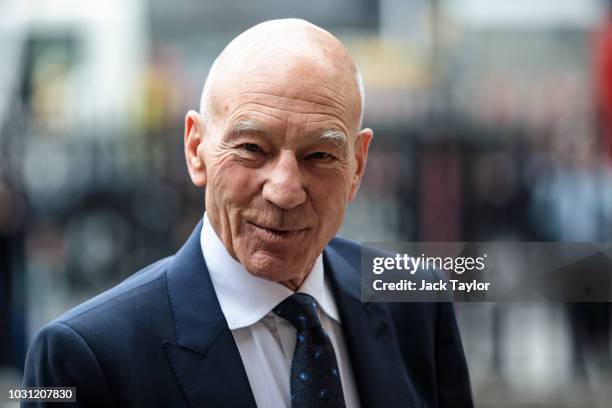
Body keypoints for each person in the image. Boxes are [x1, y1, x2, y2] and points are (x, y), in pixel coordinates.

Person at [22, 19, 473, 407]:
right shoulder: (87, 356)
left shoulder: (415, 299)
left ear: (358, 164)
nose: (285, 191)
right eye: (252, 149)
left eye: (319, 155)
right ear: (196, 149)